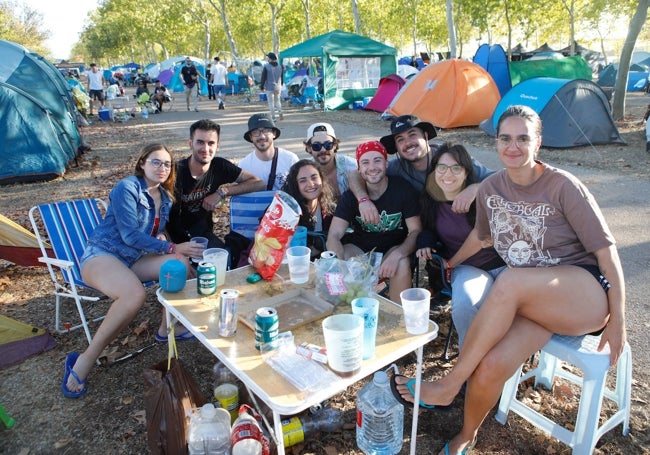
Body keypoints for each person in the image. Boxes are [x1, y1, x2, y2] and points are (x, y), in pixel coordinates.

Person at [393, 105, 626, 455]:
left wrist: (620, 320)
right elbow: (483, 237)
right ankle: (466, 436)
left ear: (538, 143)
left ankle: (450, 383)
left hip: (585, 293)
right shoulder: (491, 189)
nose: (513, 146)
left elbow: (608, 255)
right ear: (496, 142)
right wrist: (453, 263)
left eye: (523, 138)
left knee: (511, 281)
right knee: (489, 366)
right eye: (505, 138)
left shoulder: (563, 186)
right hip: (534, 304)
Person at [62, 144, 205, 398]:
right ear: (142, 163)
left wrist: (171, 247)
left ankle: (165, 329)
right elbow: (129, 236)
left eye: (167, 164)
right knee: (134, 295)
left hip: (133, 260)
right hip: (103, 255)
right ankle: (83, 359)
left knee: (179, 263)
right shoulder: (127, 188)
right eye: (156, 162)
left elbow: (153, 233)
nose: (162, 168)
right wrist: (171, 245)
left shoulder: (166, 198)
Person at [416, 142, 505, 342]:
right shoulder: (430, 200)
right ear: (434, 171)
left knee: (516, 303)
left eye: (456, 168)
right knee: (464, 303)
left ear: (466, 172)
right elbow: (429, 228)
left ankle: (505, 357)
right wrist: (425, 242)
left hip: (505, 264)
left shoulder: (482, 195)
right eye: (442, 167)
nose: (448, 174)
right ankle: (470, 358)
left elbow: (482, 238)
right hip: (469, 268)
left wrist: (450, 264)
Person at [350, 115, 493, 225]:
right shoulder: (397, 167)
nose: (407, 143)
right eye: (400, 139)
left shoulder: (450, 157)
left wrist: (476, 188)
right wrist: (363, 200)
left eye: (412, 135)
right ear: (396, 147)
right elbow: (356, 174)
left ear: (425, 136)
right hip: (430, 229)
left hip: (467, 225)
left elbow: (499, 177)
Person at [326, 140, 422, 302]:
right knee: (343, 254)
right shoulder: (351, 196)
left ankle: (398, 317)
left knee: (402, 262)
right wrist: (337, 263)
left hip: (393, 248)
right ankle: (347, 310)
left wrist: (398, 254)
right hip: (361, 250)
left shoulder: (403, 190)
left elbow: (415, 231)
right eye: (365, 162)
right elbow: (334, 235)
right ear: (359, 168)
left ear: (386, 164)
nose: (372, 167)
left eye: (377, 160)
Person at [166, 119, 265, 250]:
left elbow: (258, 183)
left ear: (217, 146)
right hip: (172, 238)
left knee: (225, 259)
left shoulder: (220, 166)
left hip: (202, 234)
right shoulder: (174, 172)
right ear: (190, 144)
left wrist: (222, 192)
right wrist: (167, 244)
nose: (205, 149)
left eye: (211, 143)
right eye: (200, 142)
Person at [281, 159, 337, 258]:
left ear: (322, 179)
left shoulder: (331, 210)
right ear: (295, 185)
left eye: (314, 177)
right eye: (303, 180)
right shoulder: (284, 211)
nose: (311, 184)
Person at [239, 113, 299, 191]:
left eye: (266, 131)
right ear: (251, 137)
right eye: (256, 132)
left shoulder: (290, 160)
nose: (262, 136)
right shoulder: (244, 165)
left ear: (274, 133)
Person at [304, 122, 357, 200]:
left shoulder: (352, 167)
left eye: (328, 145)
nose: (323, 150)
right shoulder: (303, 171)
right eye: (316, 146)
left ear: (335, 146)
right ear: (309, 148)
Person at [260, 52, 283, 121]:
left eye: (268, 58)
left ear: (270, 59)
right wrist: (281, 84)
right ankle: (280, 112)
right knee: (277, 101)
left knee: (271, 103)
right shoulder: (280, 66)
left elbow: (263, 77)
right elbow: (282, 77)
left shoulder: (266, 66)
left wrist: (262, 86)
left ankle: (273, 117)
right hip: (278, 86)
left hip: (269, 87)